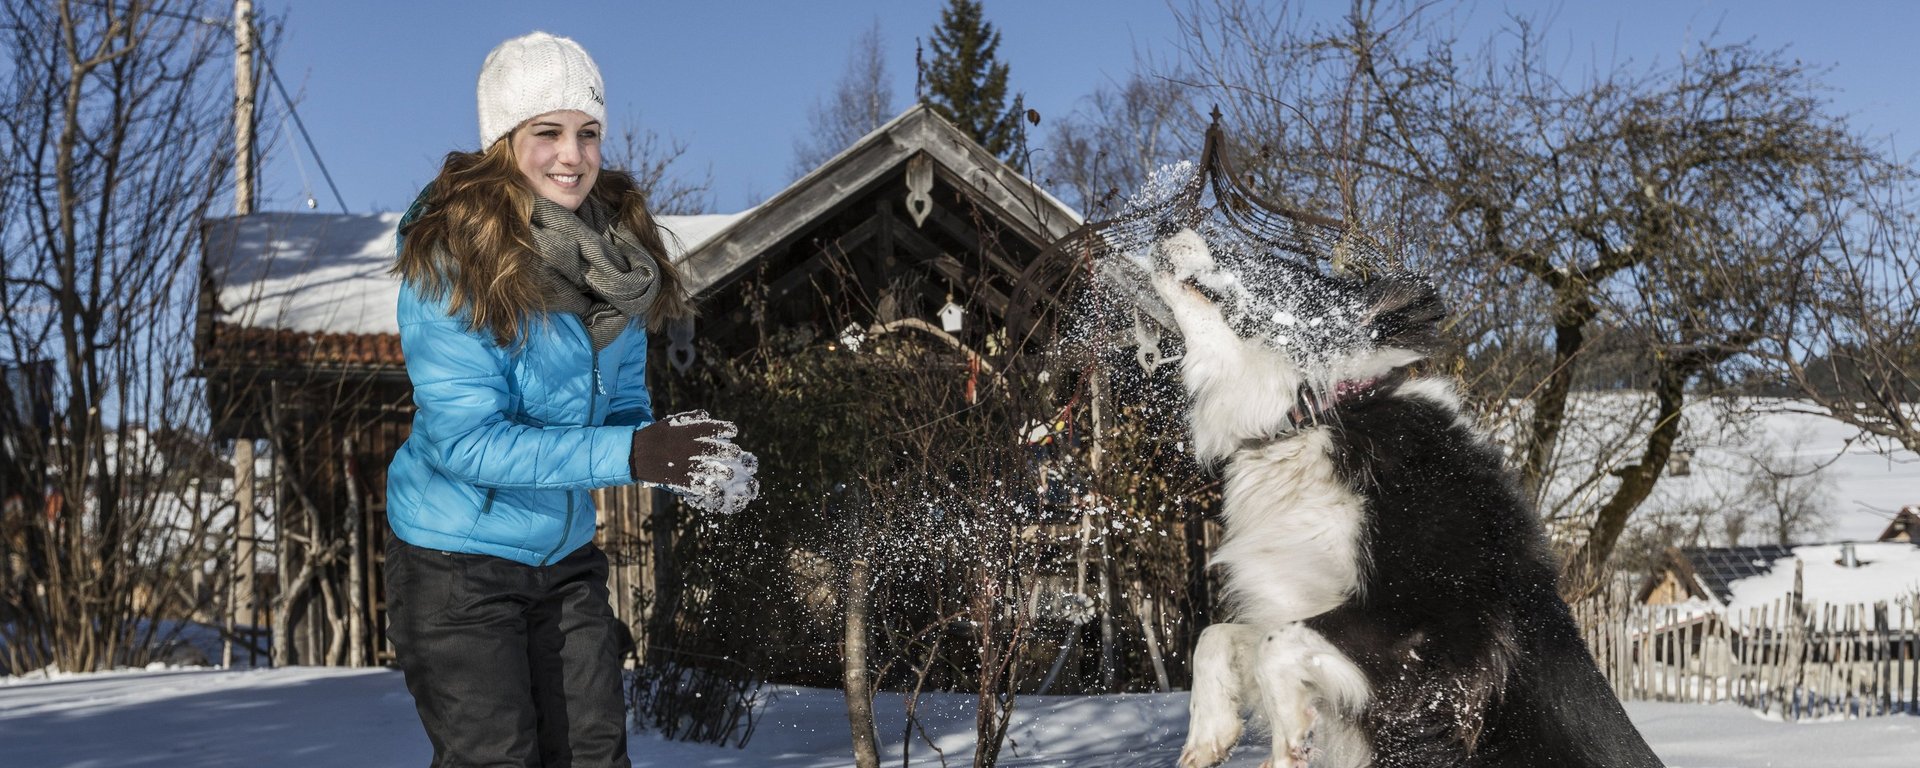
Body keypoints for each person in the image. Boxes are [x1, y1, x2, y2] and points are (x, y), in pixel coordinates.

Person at [383, 31, 755, 767]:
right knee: (497, 755)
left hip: (563, 556)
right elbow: (468, 445)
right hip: (455, 561)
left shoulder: (616, 264)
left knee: (592, 751)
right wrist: (630, 452)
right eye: (546, 132)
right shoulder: (453, 263)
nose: (571, 155)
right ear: (502, 143)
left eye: (587, 134)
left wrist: (669, 455)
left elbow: (621, 405)